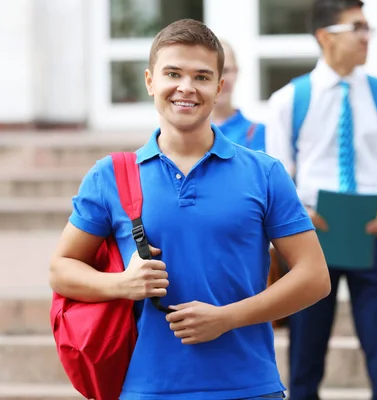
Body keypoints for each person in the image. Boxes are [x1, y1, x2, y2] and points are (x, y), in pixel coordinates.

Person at [49, 18, 331, 400]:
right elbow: (61, 270)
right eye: (172, 73)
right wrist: (120, 284)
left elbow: (314, 277)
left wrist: (227, 318)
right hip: (145, 389)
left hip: (249, 387)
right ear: (150, 81)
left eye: (201, 76)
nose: (186, 87)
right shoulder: (110, 176)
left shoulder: (265, 173)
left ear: (219, 86)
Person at [265, 1, 377, 399]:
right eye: (357, 28)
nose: (366, 37)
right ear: (324, 37)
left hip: (373, 232)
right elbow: (277, 175)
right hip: (312, 234)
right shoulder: (288, 100)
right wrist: (301, 210)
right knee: (306, 353)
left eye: (368, 28)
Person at [211, 39, 266, 151]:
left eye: (225, 71)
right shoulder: (186, 132)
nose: (220, 80)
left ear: (236, 72)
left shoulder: (256, 133)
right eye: (211, 72)